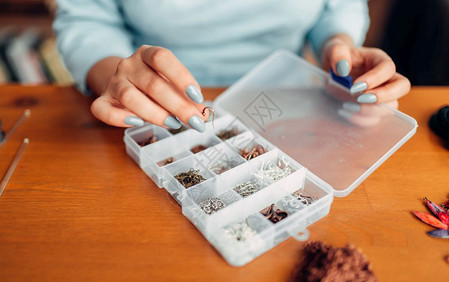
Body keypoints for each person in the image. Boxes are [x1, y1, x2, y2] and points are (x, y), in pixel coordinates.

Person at [53, 0, 410, 132]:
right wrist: (117, 77)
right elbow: (86, 19)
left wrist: (339, 46)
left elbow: (337, 8)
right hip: (152, 114)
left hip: (291, 109)